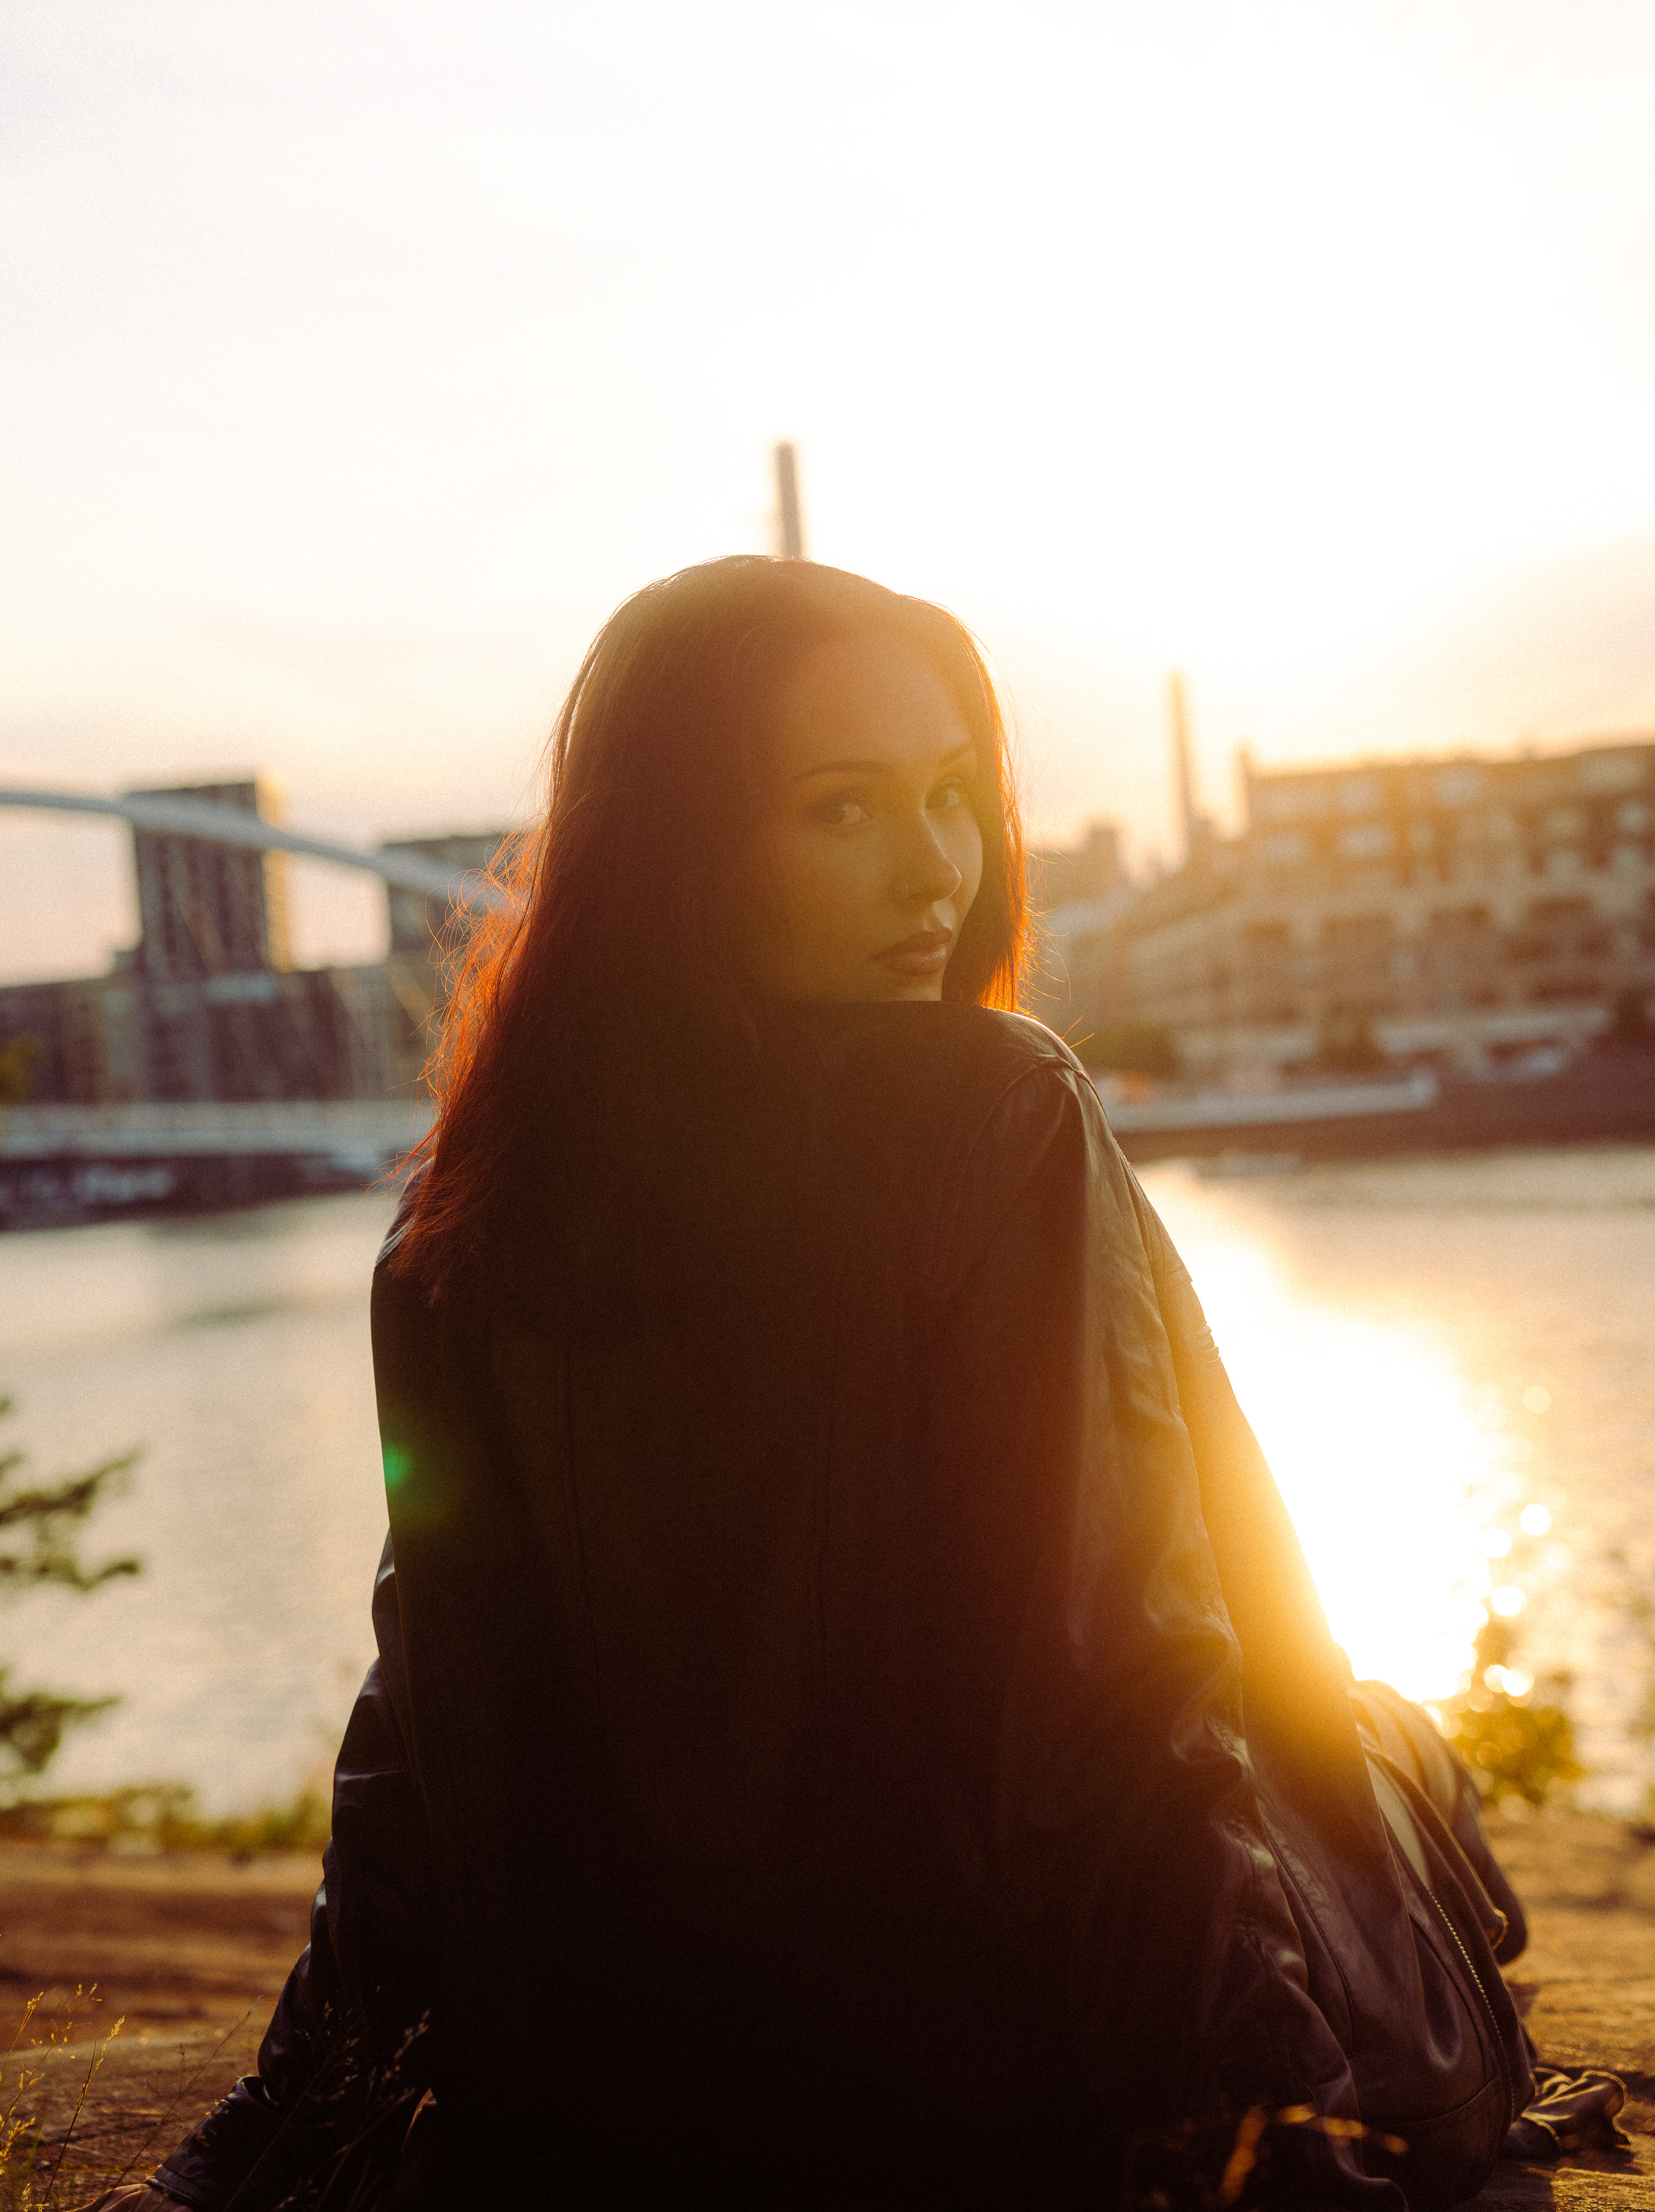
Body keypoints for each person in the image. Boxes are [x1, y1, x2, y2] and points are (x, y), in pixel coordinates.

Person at [104, 556, 1536, 2211]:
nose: (936, 871)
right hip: (984, 2074)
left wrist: (295, 2117)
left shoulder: (470, 1217)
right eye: (840, 812)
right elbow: (1122, 1680)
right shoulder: (995, 1110)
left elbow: (429, 1726)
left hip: (638, 2097)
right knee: (1393, 1760)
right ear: (684, 850)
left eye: (950, 798)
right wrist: (1259, 2134)